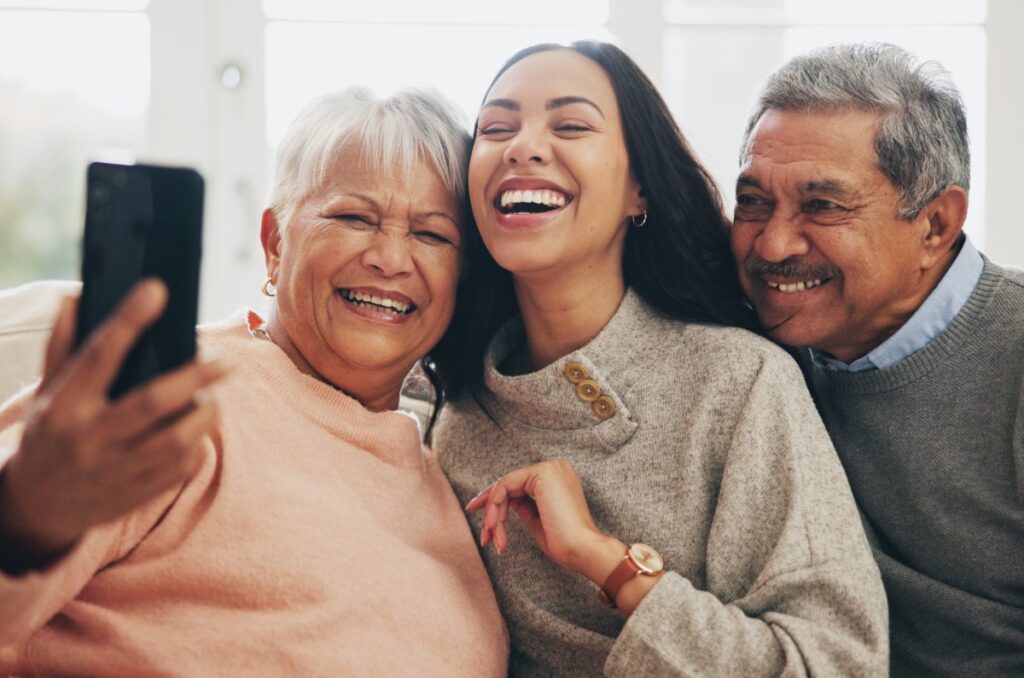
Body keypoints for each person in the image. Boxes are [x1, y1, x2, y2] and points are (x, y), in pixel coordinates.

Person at [0, 87, 508, 675]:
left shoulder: (449, 482)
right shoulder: (169, 395)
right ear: (274, 243)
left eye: (432, 235)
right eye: (353, 217)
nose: (392, 259)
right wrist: (24, 524)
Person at [433, 40, 887, 676]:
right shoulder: (447, 414)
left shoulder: (737, 382)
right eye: (495, 128)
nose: (522, 146)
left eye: (570, 125)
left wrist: (607, 562)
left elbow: (835, 663)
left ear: (638, 190)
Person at [730, 42, 1024, 676]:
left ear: (937, 224)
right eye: (752, 202)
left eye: (823, 206)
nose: (774, 243)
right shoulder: (741, 350)